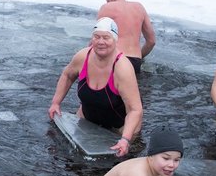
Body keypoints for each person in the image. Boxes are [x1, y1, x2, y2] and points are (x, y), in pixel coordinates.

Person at [48, 17, 144, 157]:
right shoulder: (83, 56)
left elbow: (135, 110)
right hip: (87, 119)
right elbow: (67, 75)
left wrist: (125, 139)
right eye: (97, 37)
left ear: (115, 40)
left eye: (106, 37)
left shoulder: (122, 68)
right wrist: (56, 103)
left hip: (118, 129)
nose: (100, 42)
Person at [96, 0, 155, 75]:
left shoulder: (107, 7)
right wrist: (140, 56)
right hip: (135, 61)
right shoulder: (139, 7)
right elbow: (151, 41)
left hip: (114, 59)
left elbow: (97, 37)